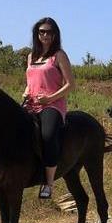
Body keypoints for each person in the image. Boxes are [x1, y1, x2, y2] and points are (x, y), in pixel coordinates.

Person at [22, 17, 75, 199]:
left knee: (48, 135)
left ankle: (48, 183)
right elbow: (30, 82)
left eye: (49, 32)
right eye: (41, 31)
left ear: (55, 35)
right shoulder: (31, 56)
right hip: (32, 104)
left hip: (52, 104)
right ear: (37, 34)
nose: (45, 35)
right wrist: (26, 93)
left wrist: (49, 98)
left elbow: (70, 84)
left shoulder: (59, 55)